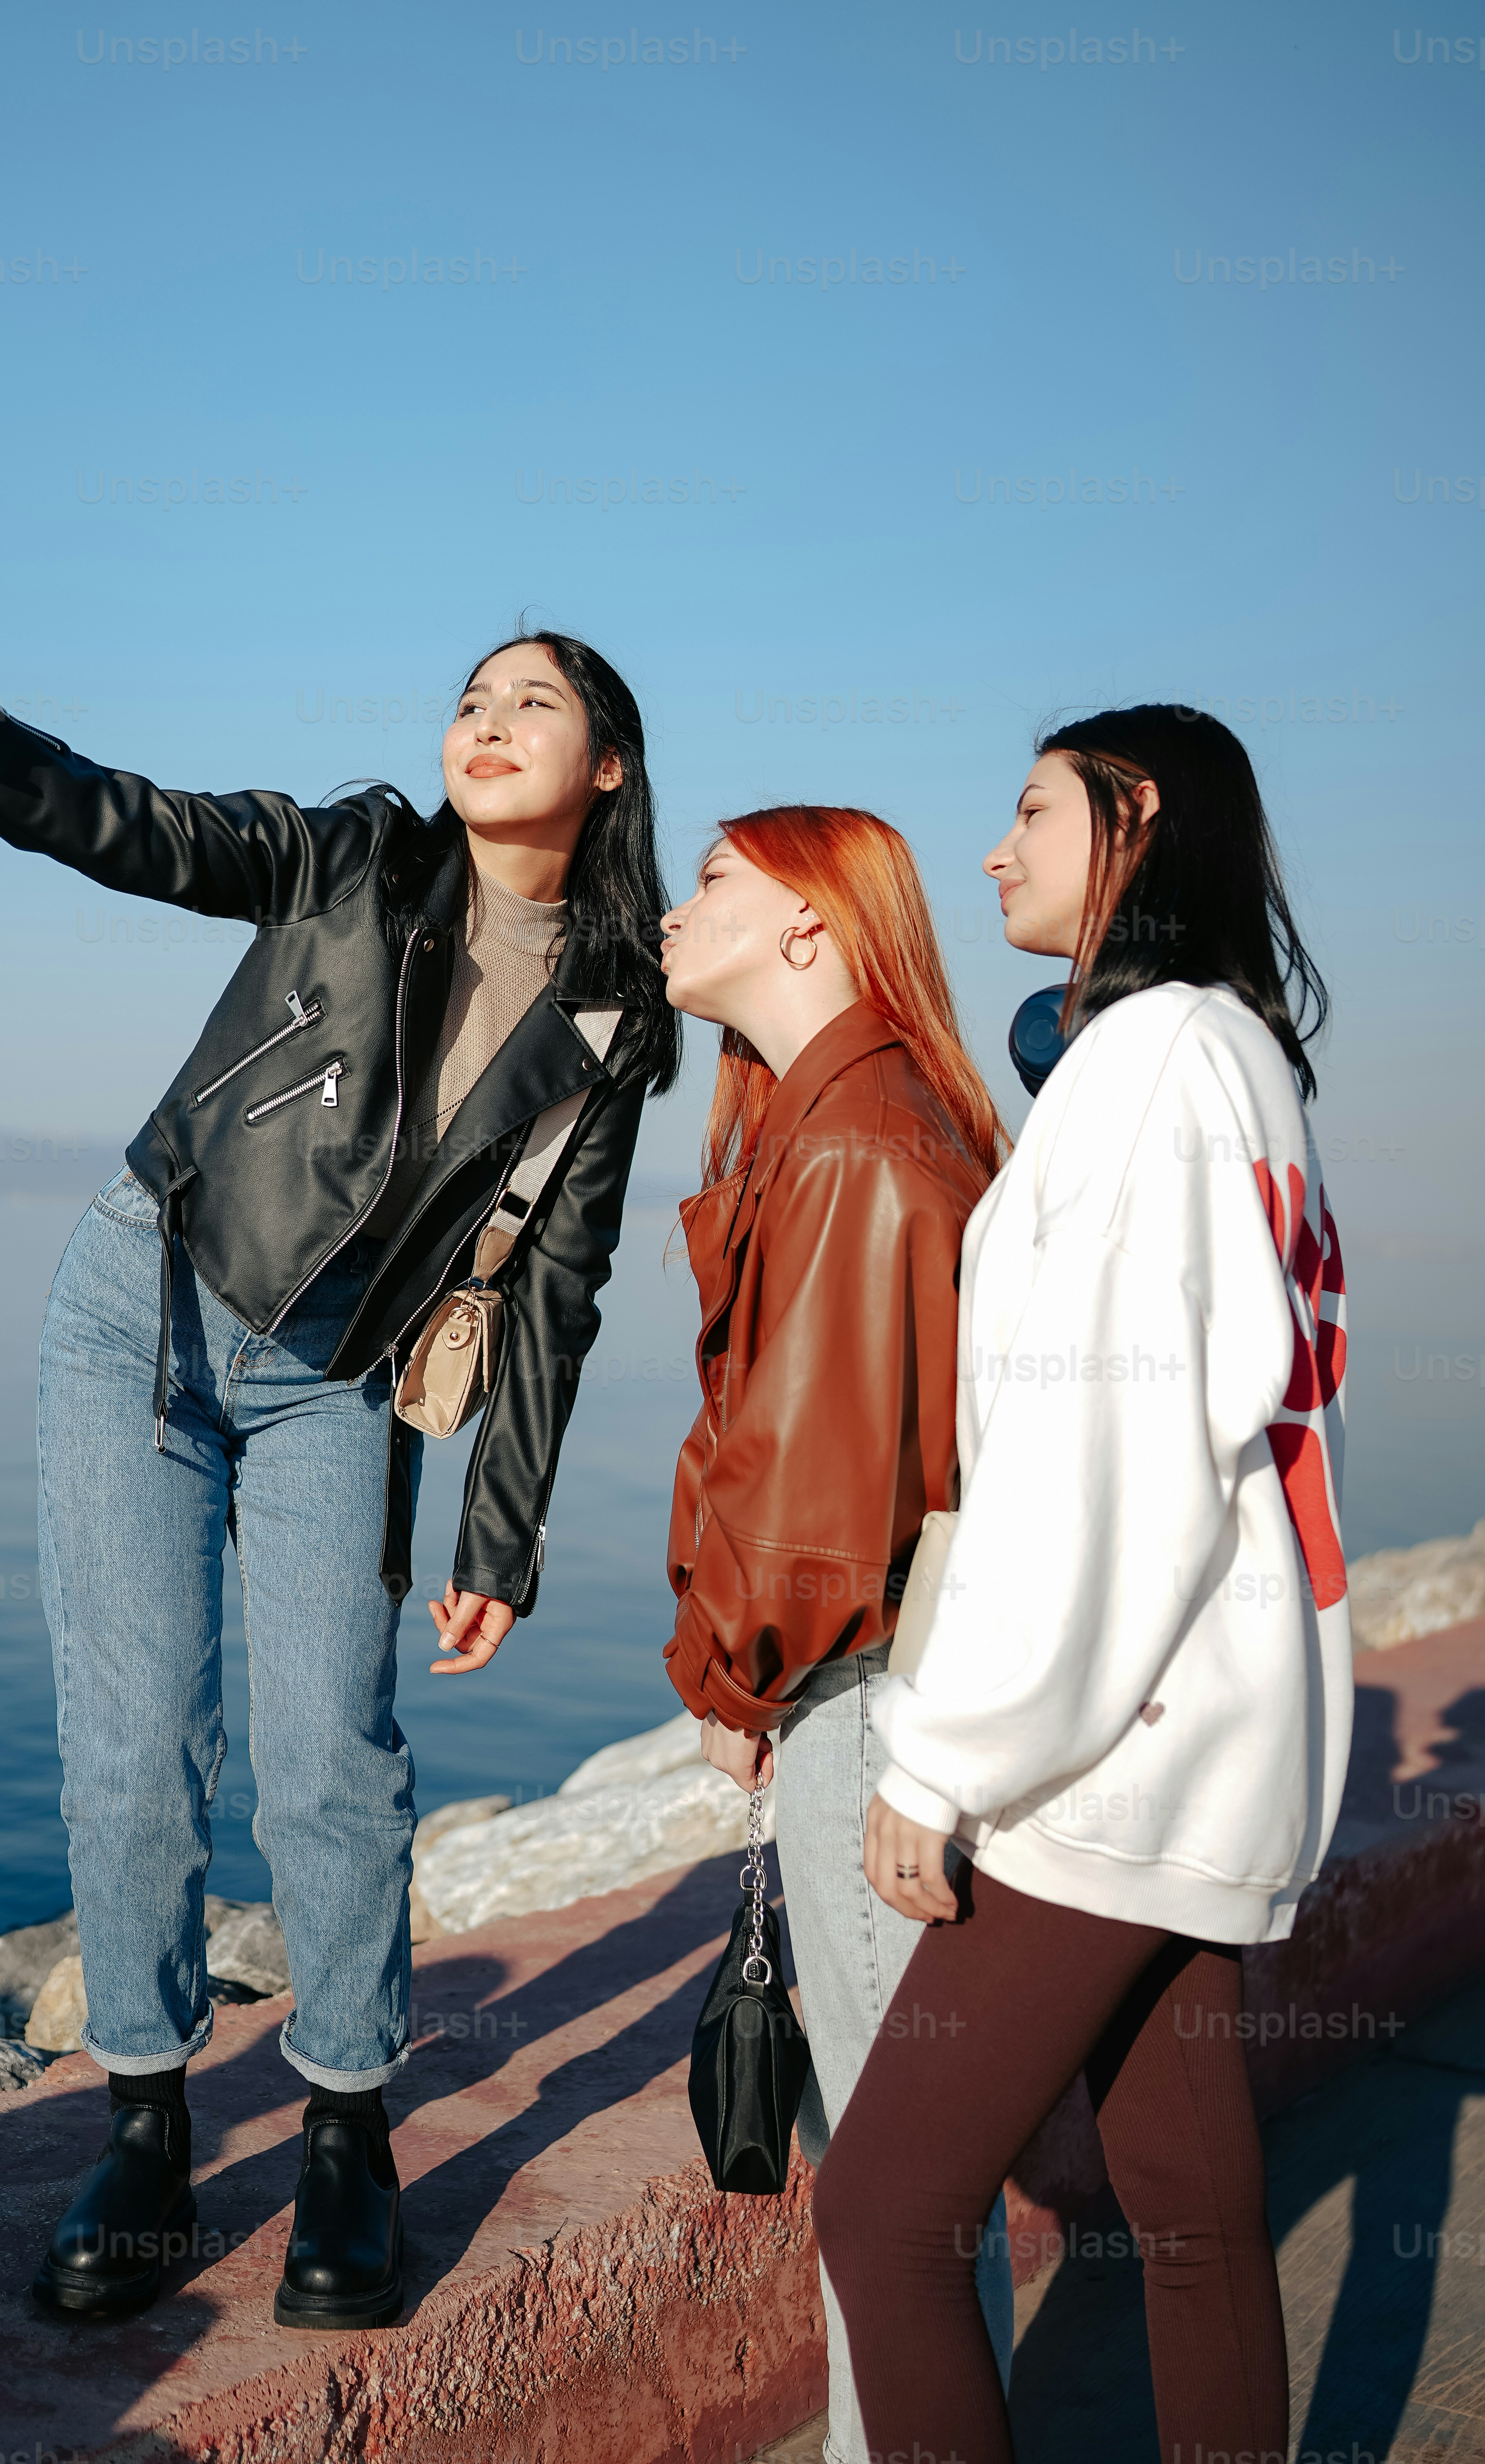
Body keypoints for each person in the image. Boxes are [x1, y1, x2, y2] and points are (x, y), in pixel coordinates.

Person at [0, 563, 678, 2325]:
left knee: (331, 1764)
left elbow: (563, 1286)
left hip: (336, 1379)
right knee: (137, 1744)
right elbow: (115, 824)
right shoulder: (352, 856)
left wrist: (498, 1541)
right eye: (471, 694)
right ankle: (144, 2124)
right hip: (140, 1312)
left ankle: (347, 2138)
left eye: (533, 699)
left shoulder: (613, 1013)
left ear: (609, 764)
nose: (487, 719)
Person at [818, 707, 1348, 2464]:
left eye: (1030, 810)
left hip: (1115, 1732)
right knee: (1187, 2196)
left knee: (884, 2214)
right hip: (1221, 1714)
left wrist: (947, 1755)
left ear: (1135, 822)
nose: (993, 848)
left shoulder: (1144, 1068)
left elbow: (1110, 1457)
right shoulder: (1246, 1059)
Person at [658, 804, 1014, 2463]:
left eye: (717, 878)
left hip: (864, 1688)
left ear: (811, 926)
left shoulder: (854, 1144)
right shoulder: (847, 1119)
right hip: (881, 1675)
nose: (679, 904)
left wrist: (731, 1674)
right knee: (910, 2176)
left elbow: (817, 1492)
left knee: (885, 2187)